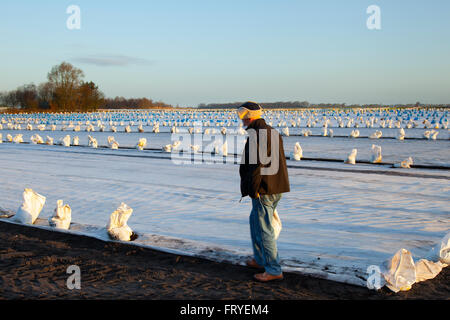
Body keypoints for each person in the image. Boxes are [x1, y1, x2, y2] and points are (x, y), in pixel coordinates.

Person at [237, 101, 290, 282]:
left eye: (242, 115)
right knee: (255, 222)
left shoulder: (257, 135)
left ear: (249, 116)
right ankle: (260, 260)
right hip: (274, 187)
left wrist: (254, 189)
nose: (240, 119)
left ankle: (273, 269)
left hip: (263, 189)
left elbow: (256, 166)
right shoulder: (271, 132)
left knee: (264, 228)